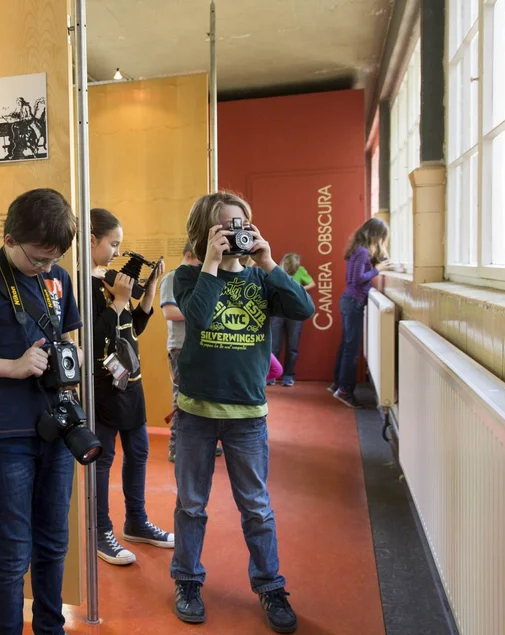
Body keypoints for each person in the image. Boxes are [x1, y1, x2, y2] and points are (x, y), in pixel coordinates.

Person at [170, 191, 314, 633]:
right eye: (224, 228)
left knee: (256, 507)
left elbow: (303, 309)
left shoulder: (262, 280)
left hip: (248, 415)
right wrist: (211, 262)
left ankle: (271, 586)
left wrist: (268, 261)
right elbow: (198, 318)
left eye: (242, 225)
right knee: (192, 505)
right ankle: (188, 581)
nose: (235, 235)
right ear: (204, 234)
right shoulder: (189, 276)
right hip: (195, 412)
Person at [0, 189, 83, 635]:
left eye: (53, 259)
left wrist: (74, 358)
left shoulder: (59, 278)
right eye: (37, 259)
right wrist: (13, 367)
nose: (46, 268)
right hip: (6, 433)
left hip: (59, 427)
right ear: (9, 239)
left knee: (54, 541)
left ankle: (52, 628)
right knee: (12, 548)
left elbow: (73, 341)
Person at [89, 208, 175, 566]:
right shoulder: (84, 284)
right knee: (103, 460)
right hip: (104, 387)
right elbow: (94, 339)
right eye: (113, 244)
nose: (117, 253)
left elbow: (131, 329)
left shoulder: (110, 280)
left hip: (131, 386)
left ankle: (136, 522)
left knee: (138, 452)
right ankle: (100, 530)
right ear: (92, 240)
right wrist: (119, 302)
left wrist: (148, 289)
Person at [159, 243, 223, 462]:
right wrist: (201, 311)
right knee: (181, 398)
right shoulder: (173, 277)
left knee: (206, 396)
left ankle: (208, 441)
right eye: (199, 260)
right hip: (180, 347)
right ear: (188, 255)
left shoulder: (200, 278)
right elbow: (169, 311)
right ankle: (176, 446)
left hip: (202, 345)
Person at [330, 218, 391, 408]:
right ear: (375, 235)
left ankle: (339, 385)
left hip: (350, 301)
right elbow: (357, 279)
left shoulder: (359, 251)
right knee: (351, 348)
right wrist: (377, 270)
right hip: (353, 301)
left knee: (347, 345)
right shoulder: (362, 252)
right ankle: (345, 390)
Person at [268, 253, 315, 387]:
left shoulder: (300, 271)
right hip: (278, 312)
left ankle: (288, 376)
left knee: (292, 347)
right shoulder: (277, 271)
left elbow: (312, 283)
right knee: (274, 345)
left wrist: (298, 289)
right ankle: (271, 375)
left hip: (295, 312)